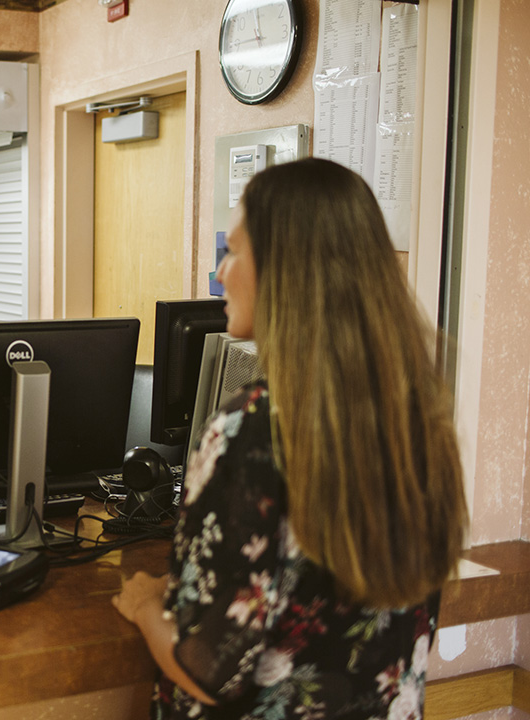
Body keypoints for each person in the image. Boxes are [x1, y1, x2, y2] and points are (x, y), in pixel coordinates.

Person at [112, 158, 467, 720]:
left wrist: (146, 606)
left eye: (233, 253)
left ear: (285, 269)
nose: (221, 274)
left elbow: (210, 672)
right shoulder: (415, 415)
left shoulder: (251, 427)